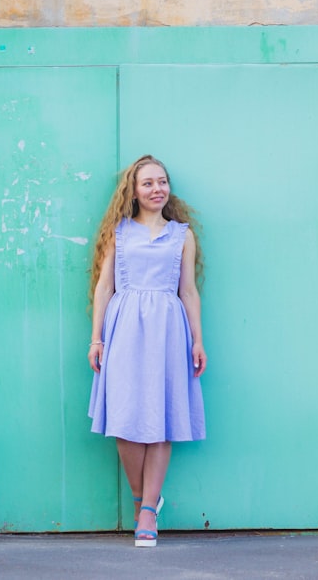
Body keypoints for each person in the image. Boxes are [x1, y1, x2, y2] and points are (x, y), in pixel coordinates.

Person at [87, 154, 207, 548]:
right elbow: (105, 287)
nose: (157, 189)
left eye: (162, 182)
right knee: (126, 421)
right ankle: (143, 499)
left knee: (162, 418)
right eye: (148, 183)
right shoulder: (119, 232)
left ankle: (148, 512)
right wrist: (97, 338)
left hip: (168, 331)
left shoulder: (181, 235)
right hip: (124, 329)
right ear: (133, 192)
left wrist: (197, 340)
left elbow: (188, 290)